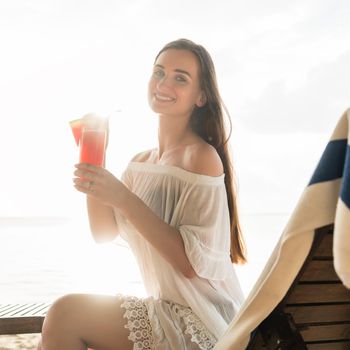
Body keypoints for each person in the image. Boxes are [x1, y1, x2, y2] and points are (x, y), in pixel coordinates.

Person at [38, 38, 246, 350]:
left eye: (180, 78)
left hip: (202, 322)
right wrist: (96, 159)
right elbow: (103, 233)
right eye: (159, 72)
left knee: (65, 314)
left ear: (201, 96)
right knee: (60, 321)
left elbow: (189, 265)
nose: (164, 83)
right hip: (166, 308)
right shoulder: (140, 163)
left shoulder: (201, 157)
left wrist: (122, 196)